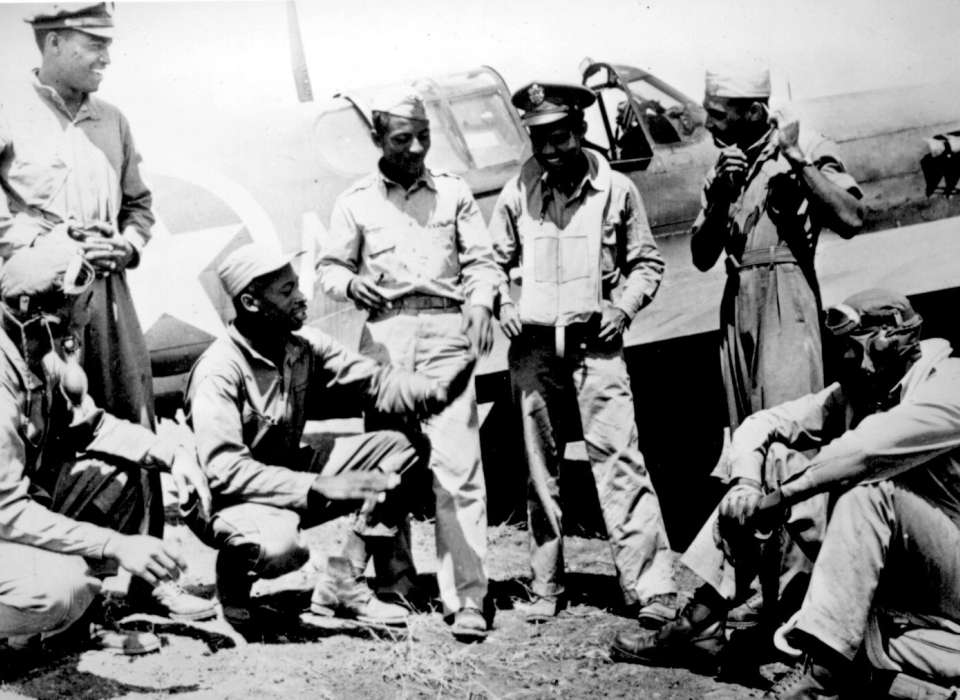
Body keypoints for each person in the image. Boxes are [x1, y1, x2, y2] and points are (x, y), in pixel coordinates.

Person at [611, 289, 960, 696]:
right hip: (899, 561)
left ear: (885, 341)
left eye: (853, 347)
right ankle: (701, 621)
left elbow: (864, 452)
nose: (846, 359)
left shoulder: (948, 382)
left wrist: (777, 500)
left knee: (869, 489)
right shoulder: (861, 391)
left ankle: (823, 674)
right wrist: (746, 484)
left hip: (948, 566)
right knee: (776, 457)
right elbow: (764, 423)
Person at [0, 3, 212, 620]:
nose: (106, 57)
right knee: (32, 432)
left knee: (125, 416)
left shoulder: (112, 121)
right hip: (29, 302)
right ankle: (49, 573)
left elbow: (141, 207)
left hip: (106, 300)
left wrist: (129, 243)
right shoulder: (8, 109)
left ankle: (150, 579)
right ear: (55, 39)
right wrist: (41, 245)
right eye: (94, 44)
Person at [186, 243, 477, 633]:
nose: (301, 299)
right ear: (251, 302)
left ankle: (344, 580)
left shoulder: (301, 345)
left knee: (401, 448)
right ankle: (234, 591)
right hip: (227, 501)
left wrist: (431, 392)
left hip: (287, 476)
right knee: (280, 546)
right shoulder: (218, 371)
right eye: (287, 292)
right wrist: (320, 483)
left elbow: (373, 381)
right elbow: (225, 472)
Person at [487, 82, 676, 624]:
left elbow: (646, 263)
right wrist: (502, 304)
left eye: (560, 138)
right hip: (534, 352)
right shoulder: (516, 192)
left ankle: (650, 587)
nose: (549, 152)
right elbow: (491, 263)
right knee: (539, 472)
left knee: (620, 462)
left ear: (581, 131)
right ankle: (545, 586)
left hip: (597, 346)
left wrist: (623, 308)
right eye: (539, 140)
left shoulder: (616, 190)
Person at [317, 91, 501, 639]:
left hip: (447, 333)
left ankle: (467, 596)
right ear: (378, 140)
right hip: (387, 339)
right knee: (390, 463)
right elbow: (329, 267)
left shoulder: (454, 193)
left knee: (457, 468)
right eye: (403, 138)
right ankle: (395, 579)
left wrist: (481, 303)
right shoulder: (354, 202)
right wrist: (350, 283)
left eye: (424, 135)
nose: (417, 147)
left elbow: (482, 263)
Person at [0, 244, 211, 654]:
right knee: (58, 589)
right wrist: (115, 544)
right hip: (5, 519)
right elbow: (6, 514)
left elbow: (95, 427)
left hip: (12, 517)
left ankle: (68, 633)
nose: (88, 316)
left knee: (120, 476)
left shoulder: (37, 354)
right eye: (80, 307)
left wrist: (173, 455)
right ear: (43, 319)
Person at [691, 63, 864, 430]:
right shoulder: (722, 168)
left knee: (792, 425)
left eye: (718, 114)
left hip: (787, 298)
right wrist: (720, 197)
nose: (708, 124)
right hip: (737, 306)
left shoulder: (808, 146)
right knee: (748, 432)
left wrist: (796, 157)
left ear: (754, 112)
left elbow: (852, 220)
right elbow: (702, 257)